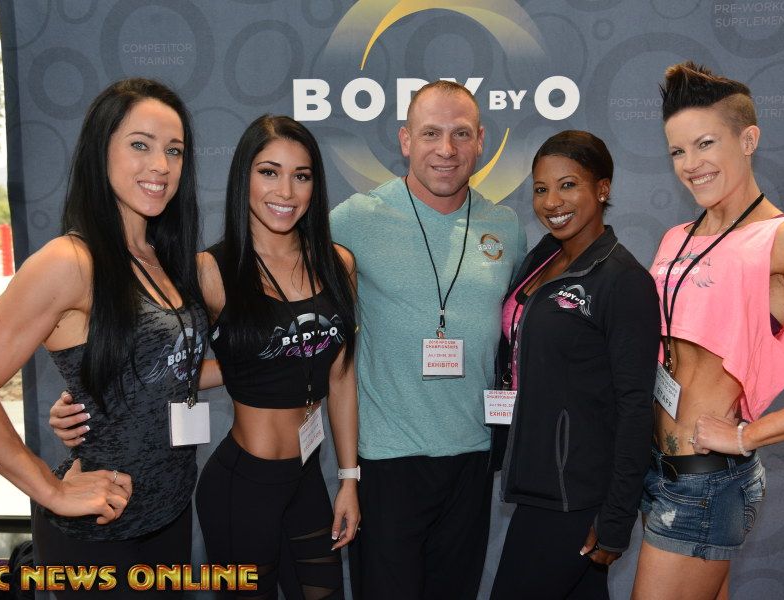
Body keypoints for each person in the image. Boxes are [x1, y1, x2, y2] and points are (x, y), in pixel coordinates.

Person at [52, 115, 360, 599]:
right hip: (243, 485)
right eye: (269, 172)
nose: (285, 190)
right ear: (243, 179)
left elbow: (340, 376)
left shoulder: (339, 264)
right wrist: (82, 399)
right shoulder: (209, 271)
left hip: (307, 477)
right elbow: (162, 360)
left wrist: (349, 478)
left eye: (301, 175)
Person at [0, 78, 208, 597]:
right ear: (100, 151)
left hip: (170, 513)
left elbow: (167, 367)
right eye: (140, 144)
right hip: (101, 536)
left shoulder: (162, 258)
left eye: (174, 151)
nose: (160, 165)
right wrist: (51, 489)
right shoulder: (70, 261)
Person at [632, 62, 784, 600]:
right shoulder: (677, 236)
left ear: (748, 140)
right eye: (677, 151)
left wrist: (750, 435)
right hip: (658, 470)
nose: (690, 165)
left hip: (705, 480)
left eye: (705, 144)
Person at [329, 80, 527, 600]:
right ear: (405, 140)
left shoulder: (506, 227)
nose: (446, 149)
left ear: (480, 141)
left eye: (461, 134)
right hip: (386, 461)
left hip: (473, 458)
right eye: (431, 133)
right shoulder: (354, 219)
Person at [489, 131, 659, 599]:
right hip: (536, 475)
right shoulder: (545, 254)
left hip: (575, 492)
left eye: (568, 185)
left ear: (602, 189)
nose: (551, 202)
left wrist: (617, 517)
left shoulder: (623, 281)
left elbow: (635, 405)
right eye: (541, 189)